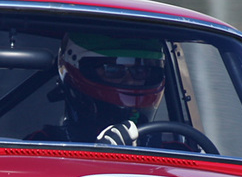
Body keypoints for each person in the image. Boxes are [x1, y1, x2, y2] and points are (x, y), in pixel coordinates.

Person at [37, 33, 170, 144]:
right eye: (113, 70)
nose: (129, 81)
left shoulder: (176, 150)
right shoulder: (42, 145)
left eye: (140, 70)